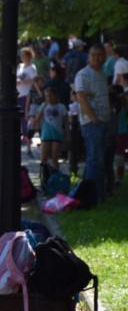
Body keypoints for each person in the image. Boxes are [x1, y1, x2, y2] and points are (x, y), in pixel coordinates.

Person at [74, 45, 112, 199]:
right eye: (94, 55)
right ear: (89, 56)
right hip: (92, 123)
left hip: (104, 120)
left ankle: (94, 191)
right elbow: (80, 97)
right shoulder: (83, 74)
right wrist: (93, 117)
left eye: (100, 55)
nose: (97, 58)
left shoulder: (102, 73)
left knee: (100, 158)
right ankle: (92, 195)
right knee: (95, 158)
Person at [35, 87, 67, 181]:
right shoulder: (44, 105)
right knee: (43, 158)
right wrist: (43, 108)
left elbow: (66, 122)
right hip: (46, 134)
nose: (49, 98)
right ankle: (43, 178)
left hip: (57, 134)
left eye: (50, 96)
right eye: (46, 96)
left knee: (54, 158)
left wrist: (67, 135)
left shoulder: (62, 107)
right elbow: (37, 119)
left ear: (55, 96)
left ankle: (55, 178)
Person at [16, 48, 37, 142]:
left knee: (25, 115)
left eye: (23, 55)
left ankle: (26, 135)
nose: (22, 56)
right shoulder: (20, 66)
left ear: (28, 56)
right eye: (21, 55)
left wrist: (24, 81)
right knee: (19, 115)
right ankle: (22, 134)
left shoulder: (32, 67)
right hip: (18, 93)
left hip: (27, 94)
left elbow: (35, 80)